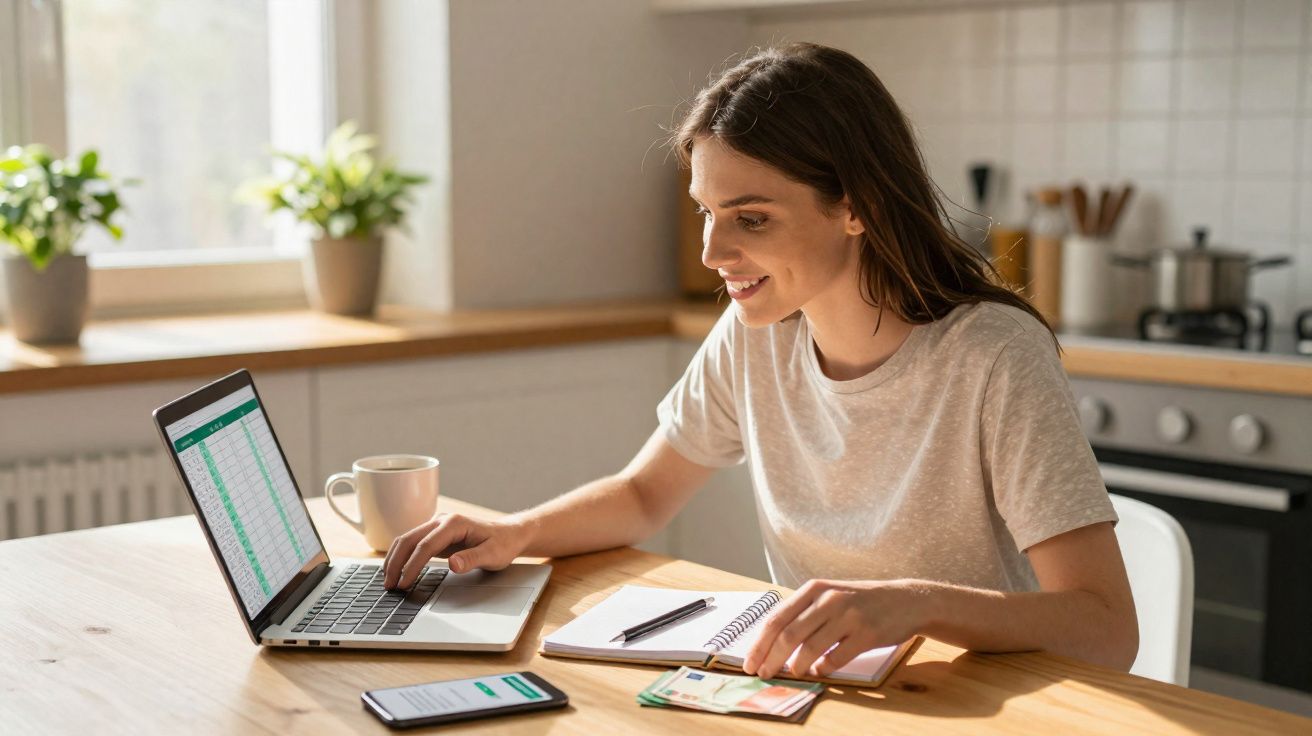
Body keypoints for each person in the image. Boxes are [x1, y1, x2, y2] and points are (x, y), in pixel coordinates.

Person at [384, 42, 1137, 679]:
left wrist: (920, 602)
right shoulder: (759, 331)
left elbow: (1107, 629)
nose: (713, 252)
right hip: (812, 695)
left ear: (856, 206)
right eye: (706, 212)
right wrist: (515, 532)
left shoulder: (994, 357)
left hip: (968, 703)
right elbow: (646, 495)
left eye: (750, 218)